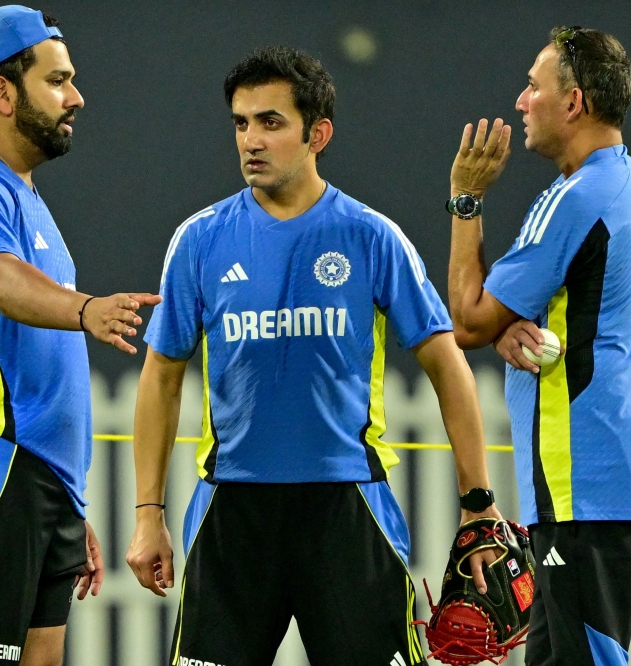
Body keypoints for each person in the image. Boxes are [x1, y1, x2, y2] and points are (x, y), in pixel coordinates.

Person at [125, 46, 501, 666]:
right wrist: (148, 516)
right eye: (241, 123)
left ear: (317, 133)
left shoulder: (371, 237)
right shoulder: (199, 240)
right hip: (232, 512)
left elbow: (448, 366)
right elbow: (161, 376)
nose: (251, 139)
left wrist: (478, 503)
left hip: (347, 509)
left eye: (271, 122)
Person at [0, 7, 159, 664]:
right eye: (58, 80)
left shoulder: (25, 199)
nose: (76, 97)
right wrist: (85, 310)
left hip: (40, 481)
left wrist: (67, 499)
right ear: (2, 92)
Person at [444, 26, 631, 665]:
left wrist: (466, 202)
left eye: (533, 87)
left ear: (574, 103)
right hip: (601, 476)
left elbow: (466, 320)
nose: (521, 102)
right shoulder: (624, 183)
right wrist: (507, 326)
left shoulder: (578, 197)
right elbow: (524, 319)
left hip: (584, 478)